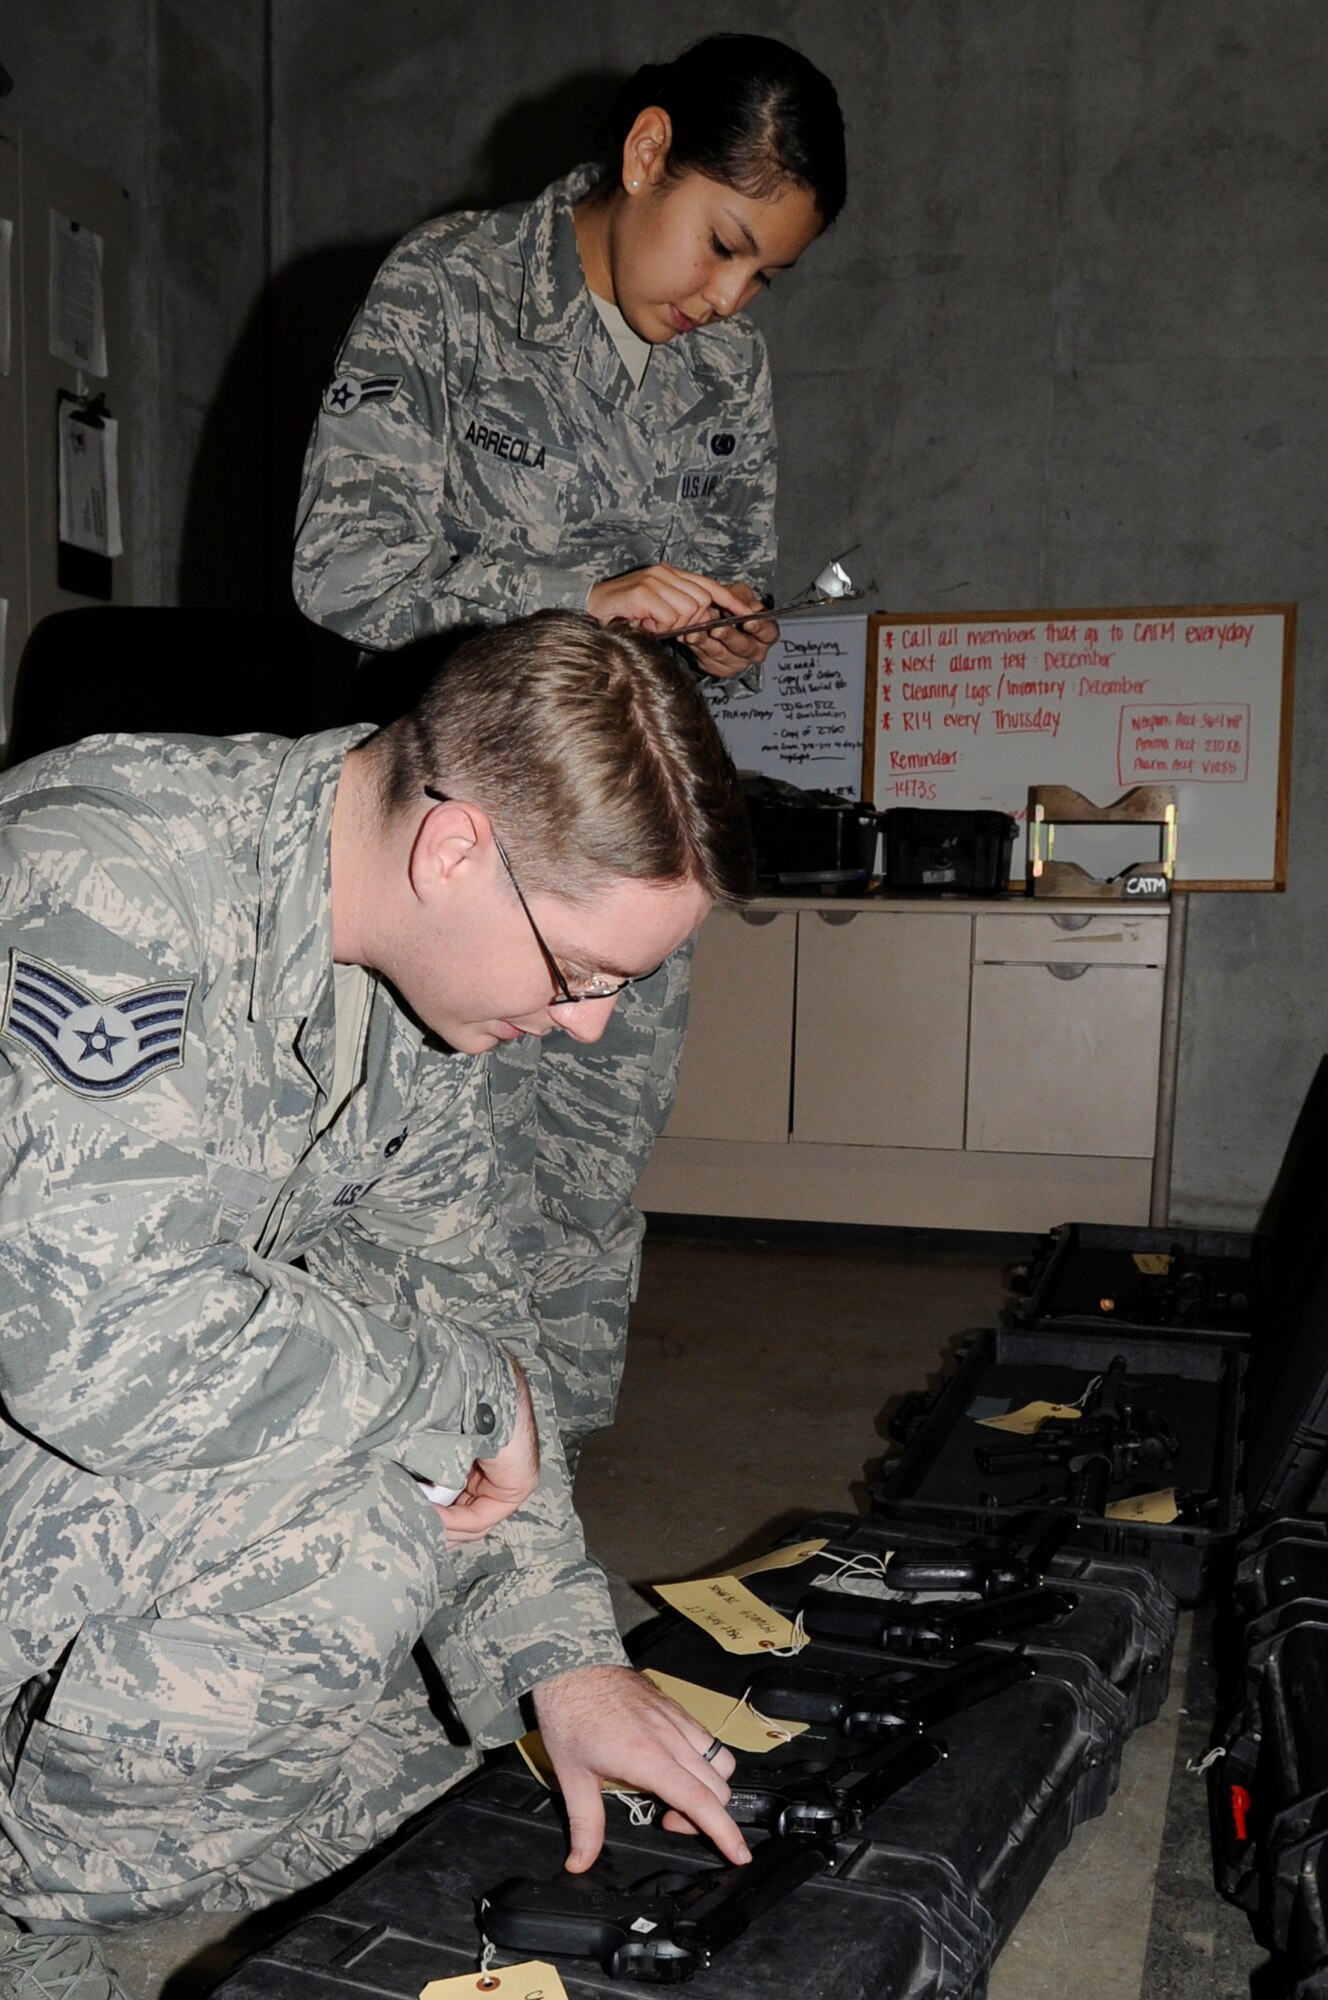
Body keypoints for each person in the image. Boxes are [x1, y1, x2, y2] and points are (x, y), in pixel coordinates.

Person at [0, 612, 754, 1996]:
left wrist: (569, 1660)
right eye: (581, 973)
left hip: (71, 1450)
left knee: (447, 1735)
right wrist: (450, 1389)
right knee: (356, 1549)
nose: (589, 1024)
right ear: (456, 846)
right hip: (64, 1387)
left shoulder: (412, 978)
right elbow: (92, 1343)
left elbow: (468, 1303)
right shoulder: (99, 877)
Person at [292, 33, 847, 1479]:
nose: (725, 299)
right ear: (648, 153)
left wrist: (724, 633)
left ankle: (539, 1522)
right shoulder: (453, 288)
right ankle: (384, 1521)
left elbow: (719, 575)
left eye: (763, 277)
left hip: (619, 845)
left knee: (583, 1209)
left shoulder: (726, 367)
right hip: (455, 840)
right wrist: (585, 595)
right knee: (411, 1195)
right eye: (723, 245)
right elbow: (342, 570)